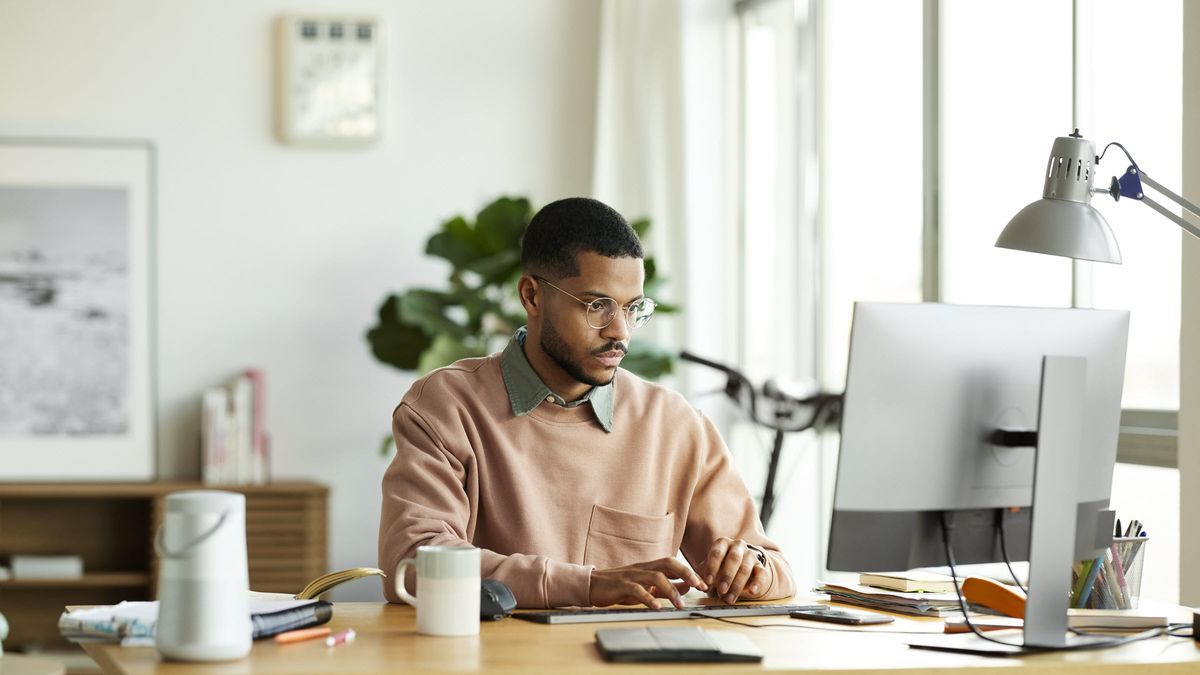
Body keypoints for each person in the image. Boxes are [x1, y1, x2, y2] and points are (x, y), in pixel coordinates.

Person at [379, 197, 795, 609]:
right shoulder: (446, 407)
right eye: (597, 306)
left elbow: (774, 568)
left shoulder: (675, 425)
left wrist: (751, 569)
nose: (621, 333)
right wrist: (589, 586)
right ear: (532, 296)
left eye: (633, 309)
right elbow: (413, 565)